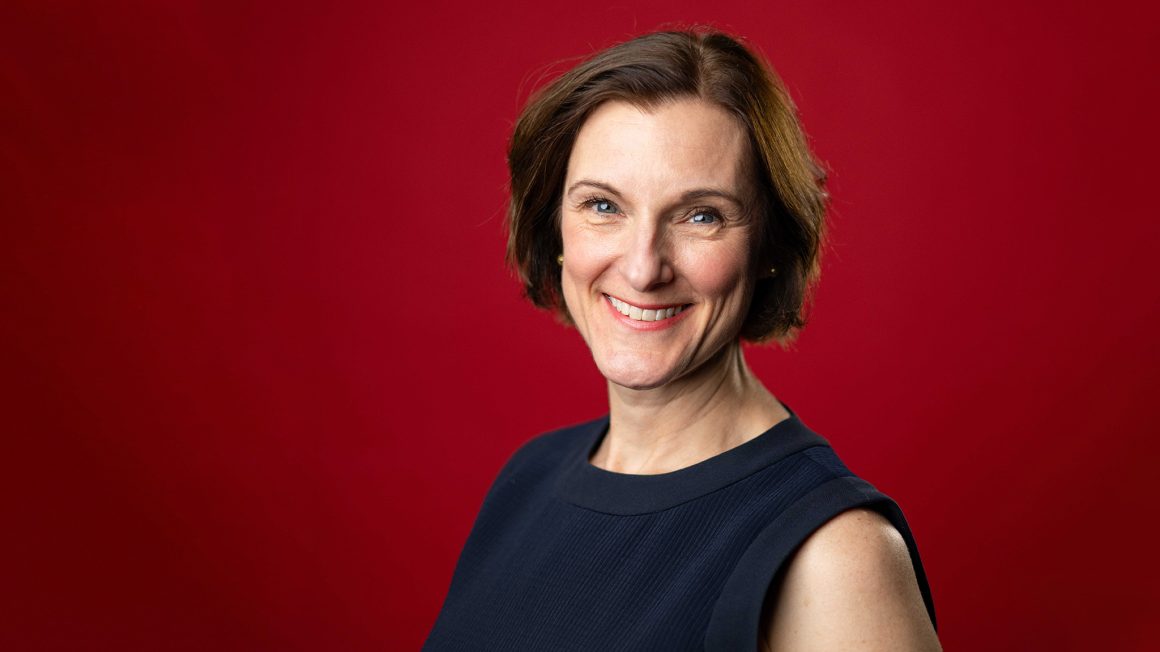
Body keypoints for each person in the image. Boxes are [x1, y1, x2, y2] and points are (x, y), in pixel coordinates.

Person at [424, 28, 940, 651]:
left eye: (701, 215)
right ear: (554, 224)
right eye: (603, 206)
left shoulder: (833, 556)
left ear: (769, 247)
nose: (644, 268)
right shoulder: (526, 481)